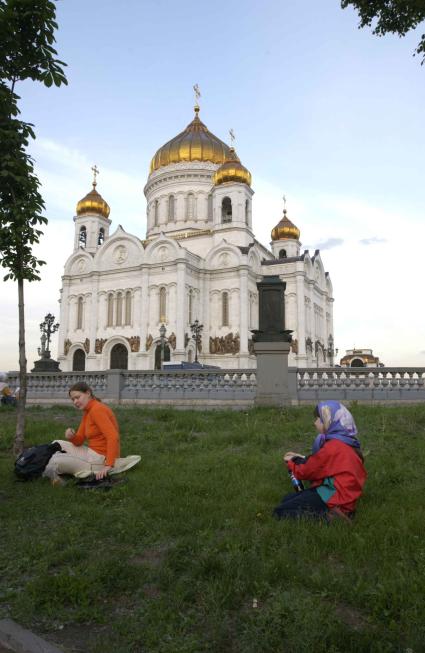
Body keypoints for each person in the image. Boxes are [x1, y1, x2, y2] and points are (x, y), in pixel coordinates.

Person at [273, 401, 367, 522]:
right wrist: (299, 457)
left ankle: (331, 517)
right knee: (287, 499)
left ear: (328, 420)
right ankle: (341, 511)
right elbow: (321, 463)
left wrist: (291, 463)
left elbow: (307, 471)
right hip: (344, 494)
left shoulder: (332, 447)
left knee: (280, 511)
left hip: (333, 495)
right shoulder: (345, 442)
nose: (314, 422)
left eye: (318, 419)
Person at [43, 382, 120, 485]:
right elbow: (79, 441)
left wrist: (109, 465)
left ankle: (59, 478)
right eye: (73, 399)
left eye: (77, 397)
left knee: (56, 462)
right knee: (56, 443)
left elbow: (113, 437)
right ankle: (55, 471)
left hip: (101, 459)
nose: (75, 402)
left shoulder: (97, 409)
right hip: (92, 453)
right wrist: (72, 436)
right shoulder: (88, 411)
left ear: (88, 393)